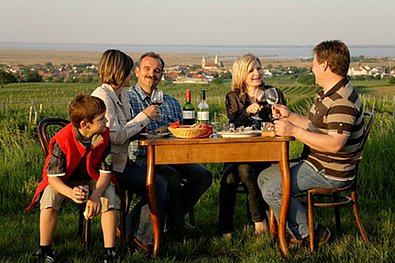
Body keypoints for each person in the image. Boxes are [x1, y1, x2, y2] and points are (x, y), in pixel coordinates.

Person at [258, 40, 365, 247]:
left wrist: (293, 131)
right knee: (264, 177)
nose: (311, 68)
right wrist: (290, 116)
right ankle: (295, 230)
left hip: (331, 171)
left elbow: (335, 144)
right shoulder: (329, 93)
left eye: (314, 63)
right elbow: (313, 126)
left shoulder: (342, 100)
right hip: (318, 162)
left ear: (325, 65)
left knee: (272, 189)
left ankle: (313, 234)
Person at [128, 52, 213, 240]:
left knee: (203, 176)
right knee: (169, 178)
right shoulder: (127, 100)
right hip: (140, 158)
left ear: (162, 74)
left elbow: (181, 132)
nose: (152, 74)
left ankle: (169, 222)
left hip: (173, 157)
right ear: (137, 72)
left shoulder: (172, 102)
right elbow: (124, 132)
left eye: (157, 70)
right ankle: (165, 231)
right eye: (147, 69)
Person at [27, 94, 119, 262]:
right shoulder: (62, 140)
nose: (106, 122)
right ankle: (45, 250)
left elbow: (106, 173)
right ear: (85, 124)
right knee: (49, 196)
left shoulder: (104, 136)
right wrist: (71, 193)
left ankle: (109, 252)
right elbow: (53, 178)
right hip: (64, 180)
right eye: (101, 119)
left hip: (93, 177)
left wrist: (96, 194)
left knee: (110, 194)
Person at [91, 49, 167, 250]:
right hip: (107, 167)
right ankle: (142, 237)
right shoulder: (102, 97)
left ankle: (133, 229)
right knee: (157, 183)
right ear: (118, 71)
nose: (130, 73)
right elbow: (116, 136)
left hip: (121, 162)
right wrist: (144, 117)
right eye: (128, 69)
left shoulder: (120, 95)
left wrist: (153, 129)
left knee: (163, 180)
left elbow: (124, 129)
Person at [219, 54, 286, 239]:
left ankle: (256, 221)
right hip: (237, 152)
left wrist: (275, 122)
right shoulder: (233, 97)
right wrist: (246, 112)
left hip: (265, 154)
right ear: (242, 74)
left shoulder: (274, 93)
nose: (257, 73)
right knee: (231, 175)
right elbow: (232, 125)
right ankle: (230, 227)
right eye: (251, 70)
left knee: (244, 170)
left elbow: (283, 121)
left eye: (259, 68)